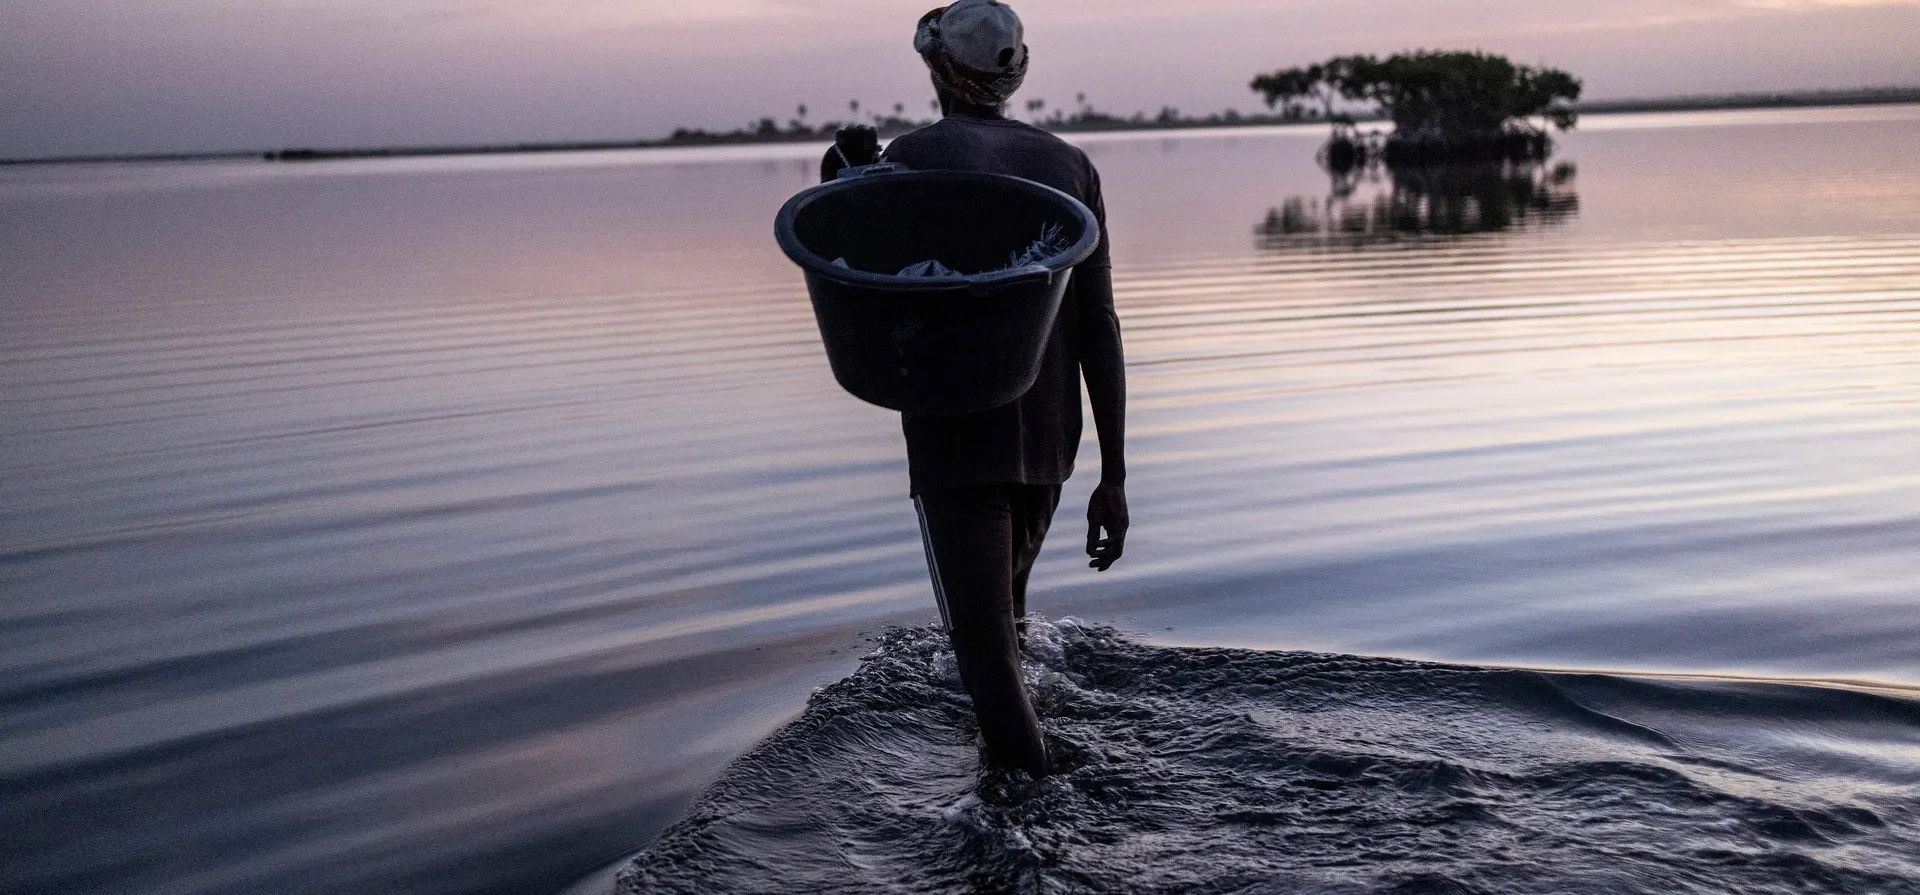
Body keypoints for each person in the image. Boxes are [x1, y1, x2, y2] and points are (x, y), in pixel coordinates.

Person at [820, 0, 1128, 777]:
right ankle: (1027, 786)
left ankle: (1035, 823)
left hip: (957, 443)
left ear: (935, 71)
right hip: (1050, 440)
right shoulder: (1071, 167)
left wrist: (845, 180)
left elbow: (853, 270)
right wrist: (1113, 477)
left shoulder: (910, 162)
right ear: (1015, 74)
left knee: (986, 666)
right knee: (1009, 633)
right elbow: (1100, 322)